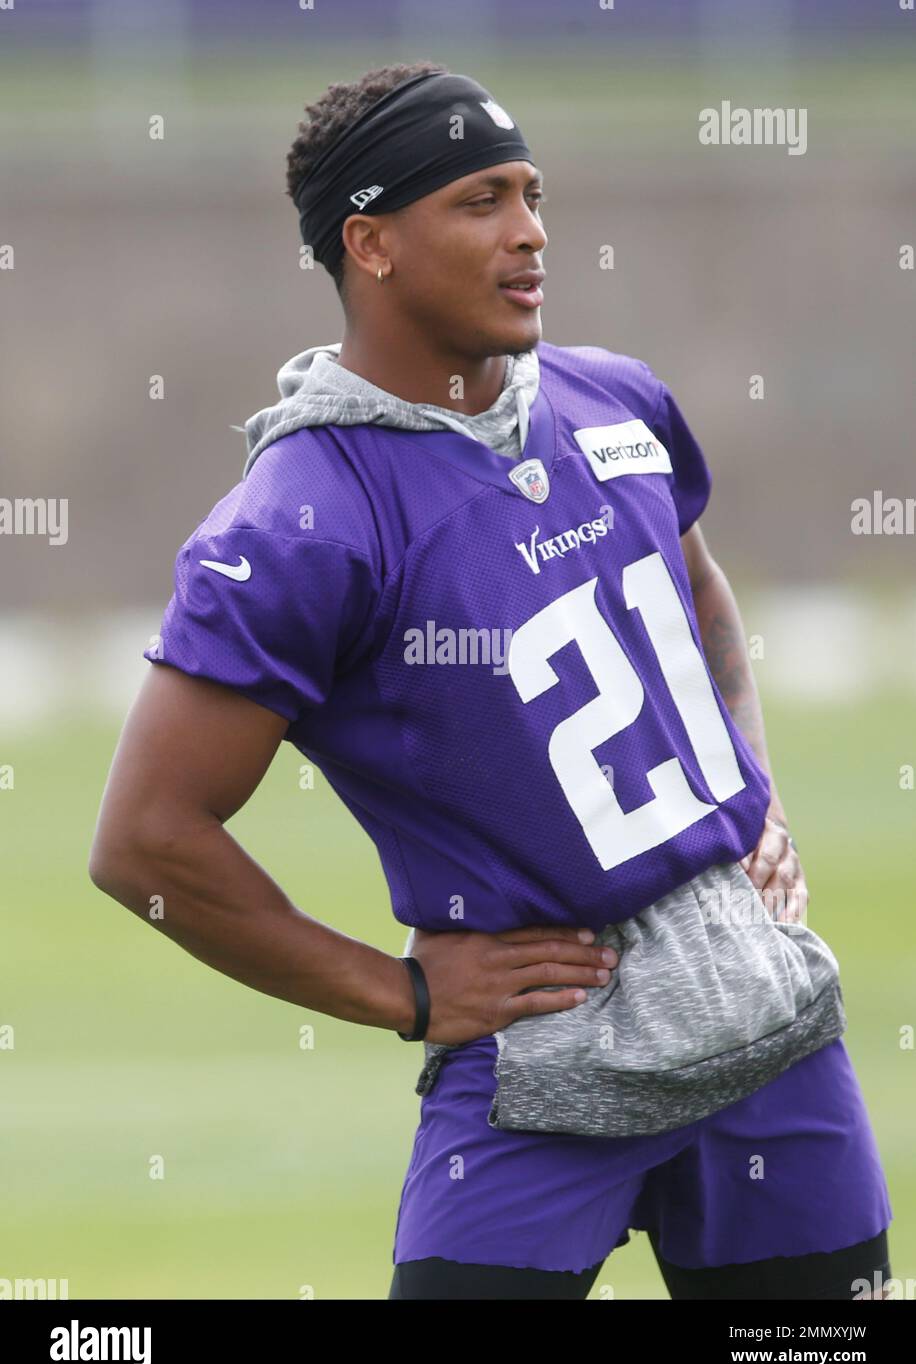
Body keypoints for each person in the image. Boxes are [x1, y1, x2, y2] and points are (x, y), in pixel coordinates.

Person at [89, 61, 893, 1300]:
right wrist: (401, 990)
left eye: (530, 193)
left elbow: (701, 594)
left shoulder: (612, 399)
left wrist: (755, 791)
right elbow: (145, 842)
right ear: (372, 243)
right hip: (540, 1056)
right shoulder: (300, 522)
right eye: (479, 201)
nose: (531, 231)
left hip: (760, 1022)